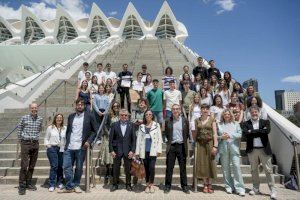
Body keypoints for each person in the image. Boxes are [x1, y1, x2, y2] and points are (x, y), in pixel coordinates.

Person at [59, 98, 98, 193]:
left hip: (81, 147)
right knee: (67, 166)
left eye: (81, 104)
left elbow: (95, 131)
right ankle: (69, 186)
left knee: (79, 168)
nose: (79, 106)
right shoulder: (71, 116)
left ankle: (76, 185)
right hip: (69, 146)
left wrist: (89, 141)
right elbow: (69, 131)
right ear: (75, 106)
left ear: (84, 106)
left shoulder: (89, 116)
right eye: (78, 104)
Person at [241, 106, 276, 199]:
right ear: (250, 114)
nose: (254, 114)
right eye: (252, 112)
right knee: (253, 170)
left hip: (264, 149)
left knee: (268, 170)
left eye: (256, 112)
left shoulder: (265, 122)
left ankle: (273, 190)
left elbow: (267, 131)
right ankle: (256, 188)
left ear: (259, 113)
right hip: (252, 150)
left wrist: (252, 132)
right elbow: (245, 134)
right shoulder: (245, 123)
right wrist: (260, 131)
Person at [217, 109, 245, 196]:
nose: (227, 115)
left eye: (228, 114)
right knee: (225, 169)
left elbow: (240, 134)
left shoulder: (236, 124)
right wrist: (221, 137)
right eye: (225, 114)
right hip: (223, 149)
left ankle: (239, 188)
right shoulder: (219, 124)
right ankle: (229, 187)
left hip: (234, 148)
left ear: (231, 115)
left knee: (236, 167)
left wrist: (230, 135)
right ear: (223, 116)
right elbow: (216, 136)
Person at [17, 103, 43, 195]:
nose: (34, 109)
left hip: (35, 143)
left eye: (35, 108)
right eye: (32, 108)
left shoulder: (40, 119)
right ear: (30, 109)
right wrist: (21, 141)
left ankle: (29, 182)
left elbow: (40, 129)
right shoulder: (24, 118)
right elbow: (19, 129)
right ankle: (22, 185)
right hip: (25, 143)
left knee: (32, 165)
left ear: (37, 108)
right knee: (24, 165)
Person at [164, 104, 190, 194]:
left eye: (177, 109)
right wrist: (168, 141)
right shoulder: (168, 121)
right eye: (174, 109)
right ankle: (167, 186)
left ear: (180, 110)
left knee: (183, 168)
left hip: (181, 146)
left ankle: (184, 186)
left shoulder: (185, 120)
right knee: (169, 167)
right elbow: (166, 133)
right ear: (171, 110)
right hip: (171, 146)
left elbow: (187, 134)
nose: (175, 110)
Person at [135, 109, 162, 193]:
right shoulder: (141, 126)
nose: (148, 116)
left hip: (153, 150)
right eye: (146, 114)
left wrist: (159, 150)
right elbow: (139, 139)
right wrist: (137, 152)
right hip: (144, 150)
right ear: (144, 116)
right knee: (146, 168)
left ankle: (152, 184)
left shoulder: (156, 125)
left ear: (152, 116)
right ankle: (147, 184)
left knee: (152, 168)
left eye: (150, 114)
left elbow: (159, 138)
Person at [193, 104, 218, 193]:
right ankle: (205, 184)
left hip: (210, 143)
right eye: (203, 108)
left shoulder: (212, 119)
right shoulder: (197, 120)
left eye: (206, 108)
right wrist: (194, 142)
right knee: (202, 163)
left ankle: (210, 184)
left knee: (210, 163)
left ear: (208, 110)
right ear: (200, 110)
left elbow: (215, 133)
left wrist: (215, 145)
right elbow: (195, 132)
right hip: (200, 144)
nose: (205, 110)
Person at [109, 109, 136, 192]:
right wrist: (111, 150)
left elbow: (134, 139)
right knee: (116, 168)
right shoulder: (114, 125)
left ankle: (128, 184)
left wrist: (132, 151)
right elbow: (110, 139)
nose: (124, 116)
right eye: (122, 115)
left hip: (128, 151)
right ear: (119, 116)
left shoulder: (131, 125)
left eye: (125, 115)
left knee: (128, 169)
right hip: (117, 150)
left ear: (128, 116)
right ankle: (115, 184)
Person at [99, 101, 120, 185]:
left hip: (118, 139)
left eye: (117, 106)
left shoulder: (121, 115)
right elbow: (104, 125)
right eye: (114, 106)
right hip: (108, 138)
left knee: (115, 156)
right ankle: (108, 173)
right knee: (108, 156)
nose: (116, 107)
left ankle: (113, 172)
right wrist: (109, 134)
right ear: (112, 107)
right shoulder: (108, 115)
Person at [44, 113, 66, 192]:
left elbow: (66, 139)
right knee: (54, 166)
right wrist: (47, 145)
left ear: (62, 119)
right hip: (52, 148)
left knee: (60, 166)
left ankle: (60, 182)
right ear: (55, 119)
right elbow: (46, 138)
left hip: (61, 149)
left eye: (60, 118)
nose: (59, 119)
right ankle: (52, 184)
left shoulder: (64, 128)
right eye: (57, 117)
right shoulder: (50, 127)